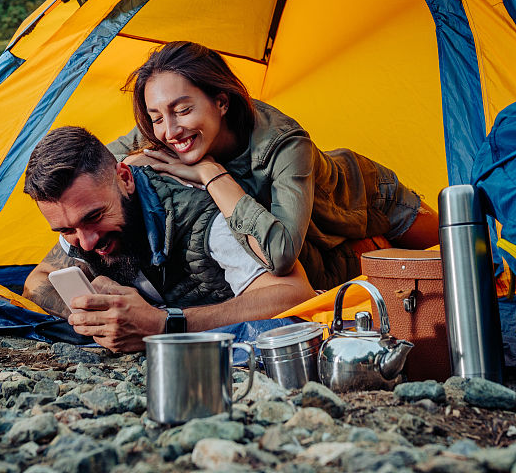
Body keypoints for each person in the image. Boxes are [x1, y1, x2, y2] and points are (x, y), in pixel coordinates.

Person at [107, 41, 439, 291]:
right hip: (314, 238)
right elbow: (94, 165)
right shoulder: (163, 132)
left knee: (462, 260)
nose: (170, 131)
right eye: (156, 118)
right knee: (399, 283)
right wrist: (132, 161)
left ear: (221, 101)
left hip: (367, 198)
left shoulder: (285, 144)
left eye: (182, 110)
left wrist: (211, 174)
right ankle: (374, 251)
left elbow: (279, 256)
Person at [22, 125, 316, 352]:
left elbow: (292, 292)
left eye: (94, 217)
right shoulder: (81, 223)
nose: (85, 242)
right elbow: (37, 281)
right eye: (66, 230)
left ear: (125, 179)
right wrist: (97, 316)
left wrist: (164, 324)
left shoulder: (206, 217)